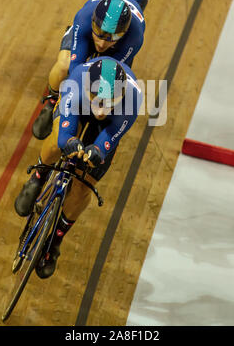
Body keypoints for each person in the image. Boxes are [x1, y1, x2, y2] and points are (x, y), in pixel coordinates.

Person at [15, 57, 143, 278]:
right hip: (77, 108)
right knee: (58, 141)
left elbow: (110, 137)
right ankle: (38, 176)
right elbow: (66, 130)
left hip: (109, 127)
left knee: (84, 184)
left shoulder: (132, 98)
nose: (102, 110)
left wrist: (97, 151)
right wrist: (69, 141)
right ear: (87, 89)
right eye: (98, 100)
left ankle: (55, 242)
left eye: (110, 101)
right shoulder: (76, 80)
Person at [32, 0, 145, 140]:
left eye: (112, 38)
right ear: (93, 23)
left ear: (123, 33)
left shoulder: (135, 37)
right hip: (86, 35)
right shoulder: (84, 18)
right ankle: (51, 102)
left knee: (108, 85)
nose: (102, 44)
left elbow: (114, 67)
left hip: (119, 49)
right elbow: (75, 68)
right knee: (64, 66)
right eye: (99, 34)